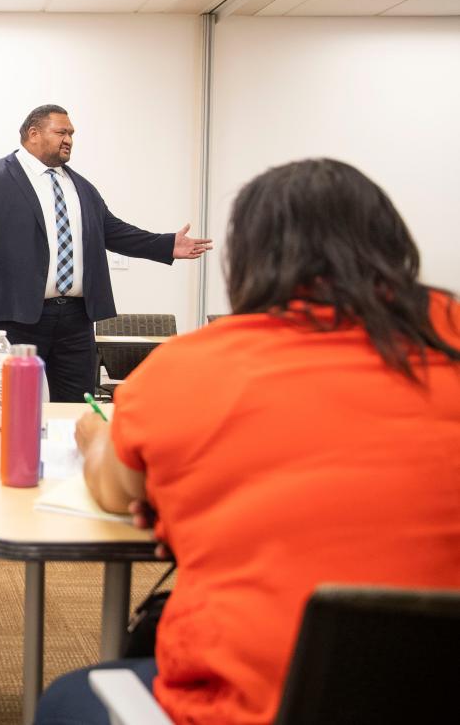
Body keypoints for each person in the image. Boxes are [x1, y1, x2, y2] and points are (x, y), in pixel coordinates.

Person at [36, 158, 460, 725]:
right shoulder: (449, 338)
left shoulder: (192, 369)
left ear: (252, 259)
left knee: (70, 696)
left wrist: (96, 437)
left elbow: (115, 491)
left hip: (251, 704)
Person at [0, 104, 212, 402]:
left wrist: (165, 244)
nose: (69, 139)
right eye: (61, 132)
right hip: (14, 320)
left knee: (76, 411)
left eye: (71, 133)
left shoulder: (81, 187)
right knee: (10, 408)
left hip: (75, 320)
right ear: (33, 134)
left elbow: (113, 231)